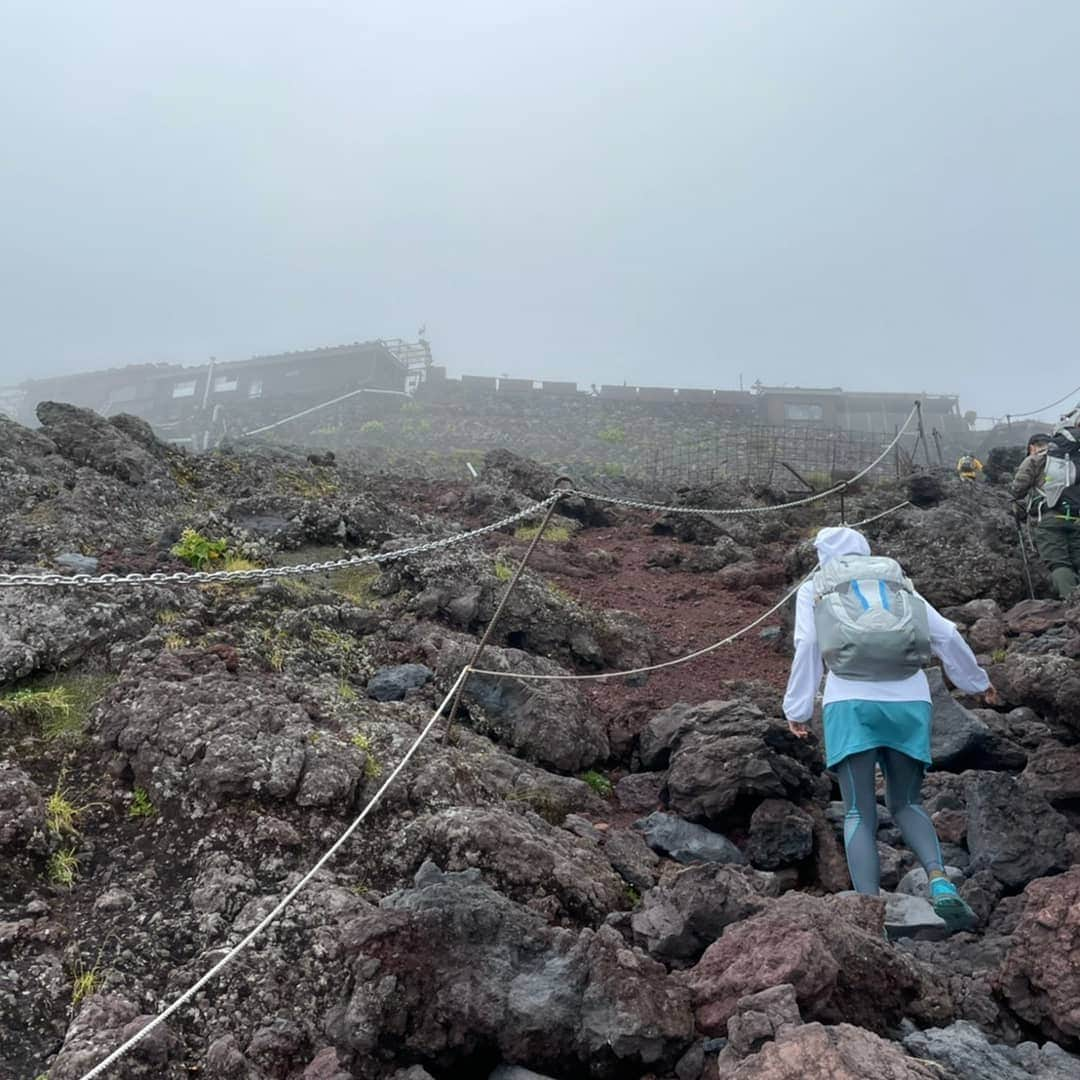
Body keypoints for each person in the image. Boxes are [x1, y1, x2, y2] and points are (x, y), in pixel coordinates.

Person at [783, 526, 997, 932]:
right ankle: (939, 881)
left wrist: (797, 708)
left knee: (858, 812)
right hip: (910, 701)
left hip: (849, 702)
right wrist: (977, 682)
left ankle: (871, 915)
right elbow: (947, 635)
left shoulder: (817, 587)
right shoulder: (896, 581)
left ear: (821, 555)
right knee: (906, 803)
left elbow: (808, 647)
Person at [1011, 408, 1080, 600]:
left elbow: (1018, 488)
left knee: (1059, 564)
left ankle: (1072, 606)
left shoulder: (1040, 457)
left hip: (1050, 518)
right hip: (1077, 517)